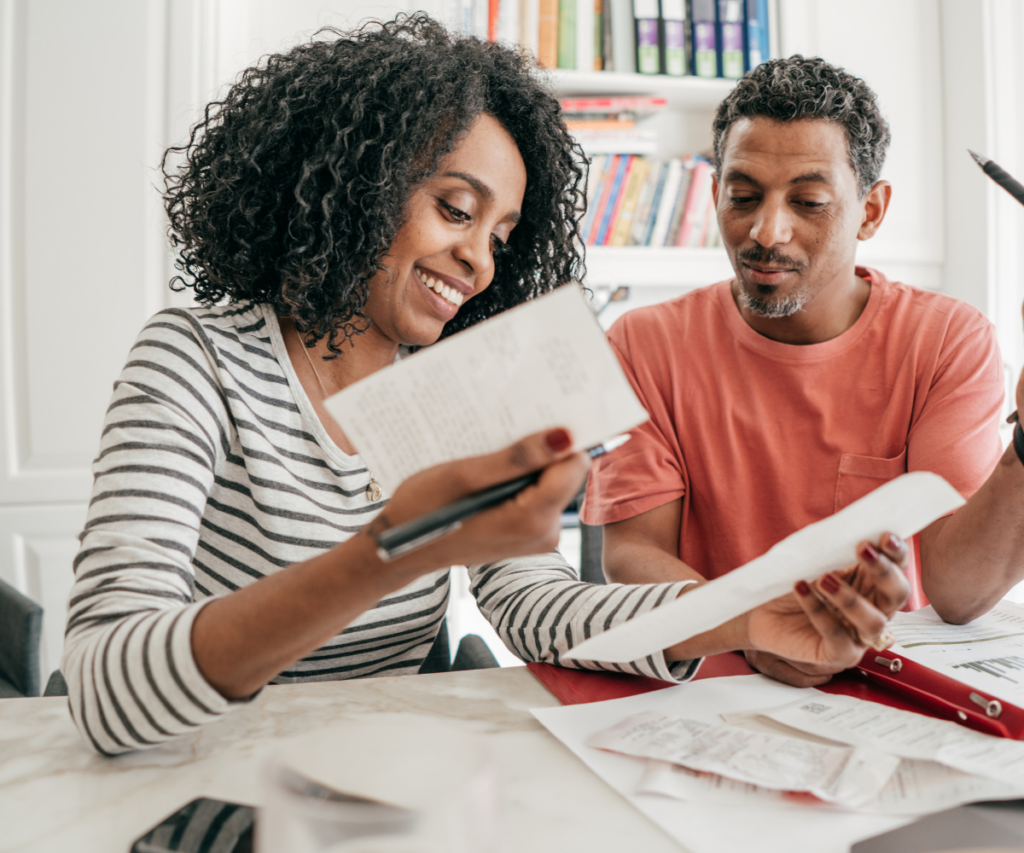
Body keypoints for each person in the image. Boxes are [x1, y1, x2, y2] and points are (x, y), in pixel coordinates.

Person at [63, 22, 907, 756]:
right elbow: (103, 683)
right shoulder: (196, 360)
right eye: (456, 210)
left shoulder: (453, 393)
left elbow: (536, 605)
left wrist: (740, 614)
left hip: (363, 778)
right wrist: (395, 549)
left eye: (502, 236)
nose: (480, 261)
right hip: (196, 768)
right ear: (352, 184)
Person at [583, 55, 1024, 688]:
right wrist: (751, 625)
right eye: (742, 197)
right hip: (708, 682)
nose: (766, 231)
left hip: (885, 687)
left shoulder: (946, 340)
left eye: (809, 202)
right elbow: (629, 553)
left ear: (871, 212)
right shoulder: (643, 343)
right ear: (714, 195)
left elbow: (958, 593)